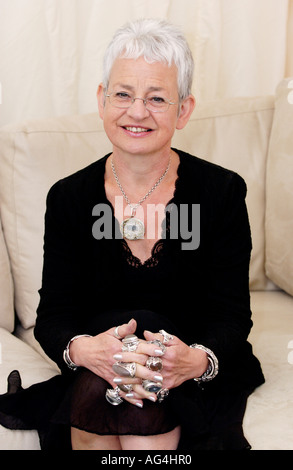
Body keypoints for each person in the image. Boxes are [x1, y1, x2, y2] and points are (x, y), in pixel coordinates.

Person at [0, 18, 264, 451]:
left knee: (144, 413)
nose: (137, 111)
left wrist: (193, 361)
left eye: (157, 98)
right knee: (101, 397)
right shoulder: (68, 198)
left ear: (184, 110)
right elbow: (53, 318)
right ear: (102, 100)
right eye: (123, 94)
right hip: (101, 366)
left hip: (187, 366)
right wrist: (87, 352)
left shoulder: (222, 192)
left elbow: (231, 317)